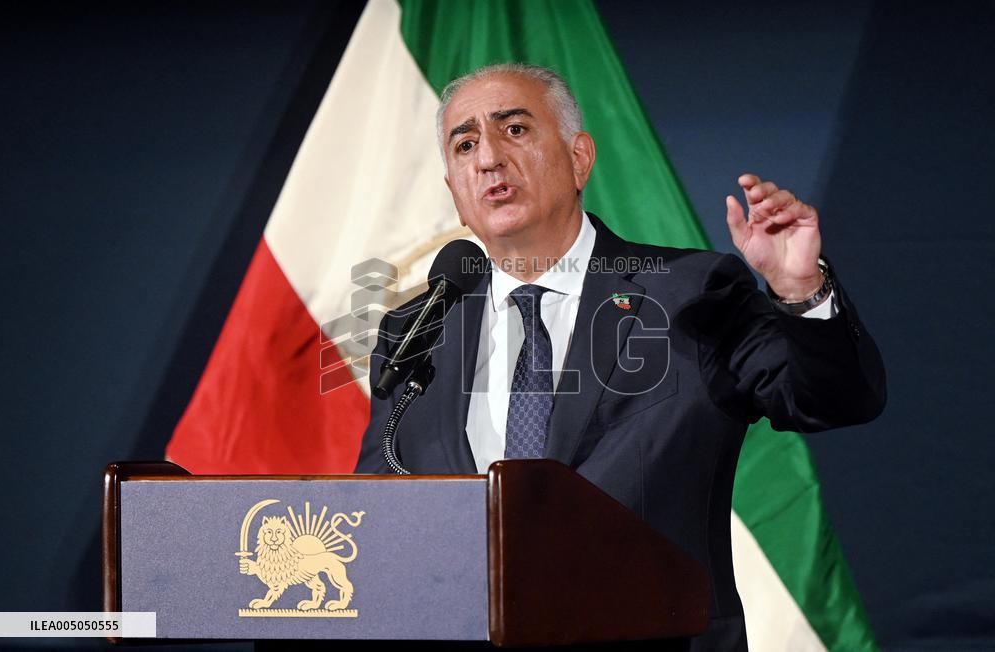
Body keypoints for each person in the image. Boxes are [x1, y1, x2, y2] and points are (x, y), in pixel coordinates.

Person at [356, 63, 885, 651]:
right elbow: (381, 510)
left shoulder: (691, 293)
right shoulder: (418, 331)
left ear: (580, 158)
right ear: (455, 193)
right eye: (465, 144)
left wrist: (800, 291)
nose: (488, 159)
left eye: (514, 130)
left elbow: (833, 398)